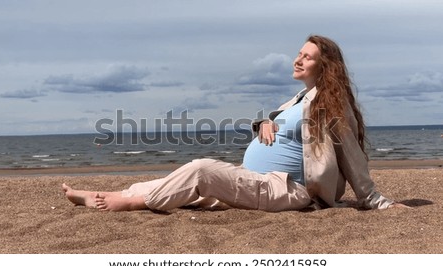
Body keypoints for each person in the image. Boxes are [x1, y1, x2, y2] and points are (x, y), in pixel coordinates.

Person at [63, 35, 409, 212]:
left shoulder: (332, 103)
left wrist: (375, 200)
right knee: (178, 185)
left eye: (307, 56)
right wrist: (264, 122)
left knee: (200, 170)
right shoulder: (299, 99)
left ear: (325, 66)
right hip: (254, 179)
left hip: (285, 190)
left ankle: (129, 203)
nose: (297, 59)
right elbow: (279, 121)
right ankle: (103, 196)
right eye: (299, 53)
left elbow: (351, 155)